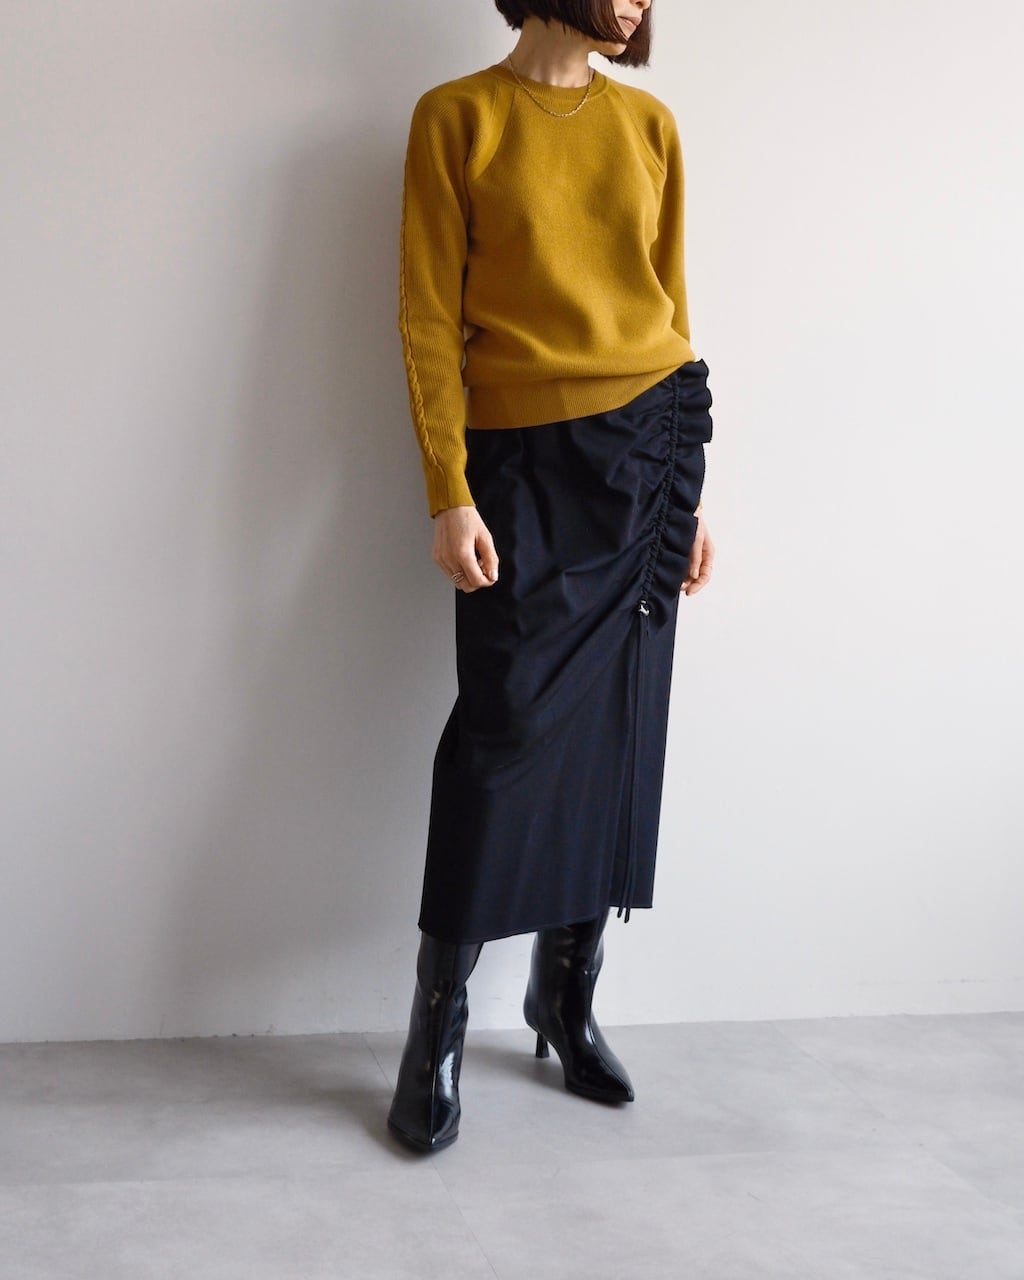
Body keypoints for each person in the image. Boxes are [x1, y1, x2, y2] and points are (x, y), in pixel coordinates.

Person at [388, 0, 715, 1153]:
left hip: (650, 448)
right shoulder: (457, 118)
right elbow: (426, 317)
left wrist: (689, 499)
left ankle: (565, 993)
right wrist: (448, 489)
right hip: (519, 459)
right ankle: (435, 1023)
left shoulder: (650, 126)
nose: (638, 1)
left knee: (620, 723)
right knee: (504, 726)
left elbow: (670, 305)